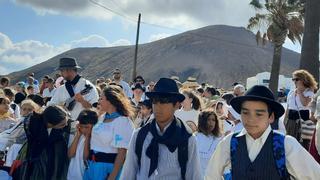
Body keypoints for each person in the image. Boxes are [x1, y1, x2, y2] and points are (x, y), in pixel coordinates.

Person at [205, 85, 320, 180]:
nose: (250, 119)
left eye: (259, 114)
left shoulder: (286, 145)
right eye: (245, 113)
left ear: (271, 117)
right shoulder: (229, 142)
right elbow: (211, 176)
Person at [120, 78, 201, 180]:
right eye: (155, 101)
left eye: (164, 101)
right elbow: (128, 174)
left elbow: (194, 176)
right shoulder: (139, 135)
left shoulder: (187, 139)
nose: (158, 106)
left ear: (176, 105)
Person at [83, 85, 134, 180]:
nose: (98, 101)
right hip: (92, 166)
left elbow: (122, 154)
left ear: (110, 101)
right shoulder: (101, 118)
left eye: (101, 98)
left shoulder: (123, 121)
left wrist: (112, 177)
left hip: (108, 170)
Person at [12, 105, 70, 180]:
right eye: (62, 124)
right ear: (50, 123)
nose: (66, 125)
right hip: (36, 162)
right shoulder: (35, 127)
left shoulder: (52, 128)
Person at [285, 69, 317, 149]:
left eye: (296, 79)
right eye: (293, 79)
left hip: (303, 123)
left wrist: (299, 92)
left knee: (302, 146)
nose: (294, 81)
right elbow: (288, 108)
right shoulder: (291, 92)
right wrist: (285, 121)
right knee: (289, 145)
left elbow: (305, 103)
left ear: (303, 79)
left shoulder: (309, 92)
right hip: (291, 122)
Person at [67, 109, 98, 180]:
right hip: (72, 176)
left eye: (87, 127)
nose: (83, 129)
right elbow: (70, 155)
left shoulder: (95, 139)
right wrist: (77, 136)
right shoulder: (78, 135)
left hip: (85, 176)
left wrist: (87, 137)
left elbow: (86, 158)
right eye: (81, 126)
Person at [196, 110, 222, 178]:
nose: (211, 122)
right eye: (208, 119)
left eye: (213, 120)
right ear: (203, 121)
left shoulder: (220, 139)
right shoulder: (194, 138)